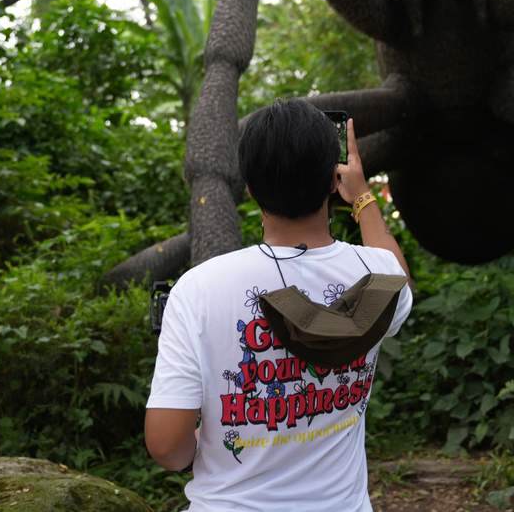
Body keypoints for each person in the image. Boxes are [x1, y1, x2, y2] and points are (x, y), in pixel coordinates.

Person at [145, 98, 413, 512]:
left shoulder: (198, 289)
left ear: (250, 187)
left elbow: (166, 446)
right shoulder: (377, 276)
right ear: (331, 181)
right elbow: (395, 268)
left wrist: (209, 440)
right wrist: (362, 198)